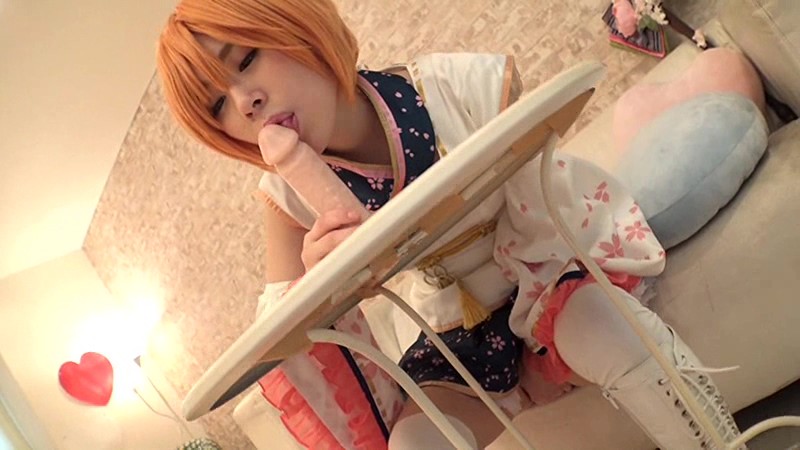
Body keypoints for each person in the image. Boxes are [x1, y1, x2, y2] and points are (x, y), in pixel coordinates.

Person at [156, 0, 746, 448]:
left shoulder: (448, 88)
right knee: (415, 442)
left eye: (245, 59)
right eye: (217, 104)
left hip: (549, 268)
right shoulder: (286, 199)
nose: (245, 102)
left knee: (603, 328)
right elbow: (282, 329)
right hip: (456, 325)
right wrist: (323, 286)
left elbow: (541, 170)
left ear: (299, 27)